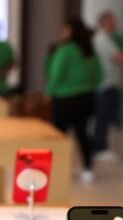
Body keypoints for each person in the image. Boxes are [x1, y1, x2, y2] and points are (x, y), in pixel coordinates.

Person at [46, 18, 103, 183]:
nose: (61, 33)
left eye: (64, 29)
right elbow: (99, 76)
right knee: (83, 134)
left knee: (59, 136)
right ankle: (87, 169)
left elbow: (56, 74)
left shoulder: (65, 51)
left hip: (64, 98)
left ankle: (58, 170)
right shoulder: (89, 51)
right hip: (86, 97)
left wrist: (49, 92)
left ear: (71, 32)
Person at [92, 11, 123, 162]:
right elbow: (119, 57)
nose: (115, 24)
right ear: (105, 22)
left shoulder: (108, 38)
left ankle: (100, 145)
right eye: (112, 21)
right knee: (102, 117)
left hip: (109, 83)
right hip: (105, 84)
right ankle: (100, 147)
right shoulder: (102, 38)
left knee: (105, 117)